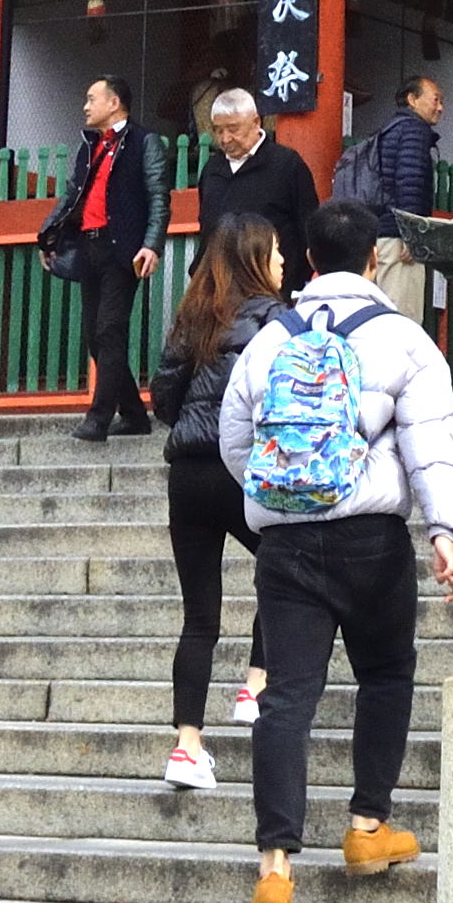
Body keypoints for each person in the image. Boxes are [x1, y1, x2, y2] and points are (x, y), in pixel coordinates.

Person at [217, 200, 453, 903]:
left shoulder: (270, 339)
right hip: (371, 537)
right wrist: (443, 531)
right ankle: (366, 827)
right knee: (385, 675)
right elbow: (430, 443)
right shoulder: (404, 339)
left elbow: (238, 441)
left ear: (304, 259)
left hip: (286, 543)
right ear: (372, 261)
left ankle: (274, 875)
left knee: (285, 700)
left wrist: (282, 496)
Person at [143, 214, 289, 792]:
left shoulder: (191, 316)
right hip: (243, 464)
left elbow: (164, 397)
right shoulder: (278, 320)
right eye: (277, 250)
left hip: (188, 473)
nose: (284, 261)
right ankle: (254, 684)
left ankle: (187, 747)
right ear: (257, 258)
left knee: (199, 617)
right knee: (282, 566)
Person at [51, 80, 166, 444]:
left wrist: (152, 245)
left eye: (91, 99)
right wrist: (48, 233)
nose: (85, 106)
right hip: (89, 246)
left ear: (114, 102)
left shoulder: (144, 142)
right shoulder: (90, 146)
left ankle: (98, 419)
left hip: (123, 249)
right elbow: (73, 194)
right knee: (94, 337)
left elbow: (159, 197)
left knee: (109, 330)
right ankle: (133, 413)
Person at [189, 83, 319, 293]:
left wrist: (294, 280)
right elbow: (206, 227)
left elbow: (307, 226)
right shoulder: (213, 169)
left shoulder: (286, 164)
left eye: (233, 129)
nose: (225, 139)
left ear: (256, 122)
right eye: (218, 130)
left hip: (273, 286)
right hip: (220, 288)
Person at [362, 76, 446, 318]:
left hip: (380, 236)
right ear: (412, 100)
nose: (440, 107)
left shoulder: (390, 129)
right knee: (401, 320)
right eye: (435, 99)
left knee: (376, 318)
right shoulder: (414, 130)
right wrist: (412, 234)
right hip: (399, 240)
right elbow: (410, 180)